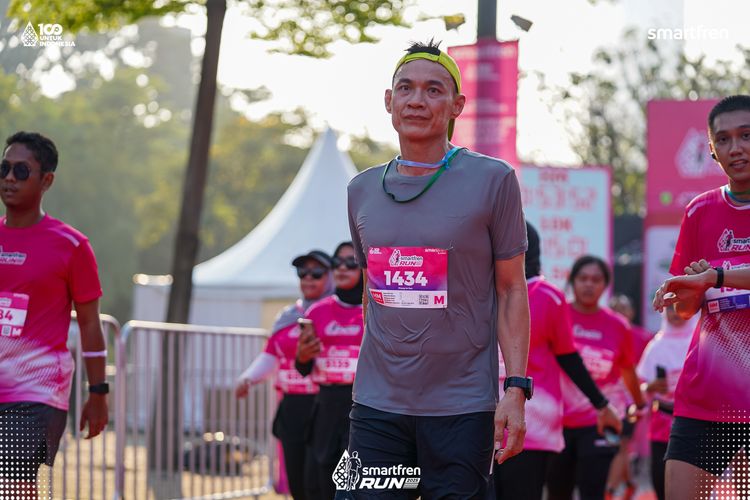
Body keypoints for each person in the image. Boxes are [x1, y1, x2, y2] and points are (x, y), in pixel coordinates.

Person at [345, 39, 530, 499]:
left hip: (461, 407)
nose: (417, 100)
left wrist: (515, 390)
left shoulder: (494, 180)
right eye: (405, 88)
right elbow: (372, 293)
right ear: (388, 100)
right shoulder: (360, 190)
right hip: (377, 408)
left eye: (433, 90)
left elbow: (511, 290)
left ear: (456, 106)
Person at [651, 95, 750, 500]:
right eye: (723, 139)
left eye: (746, 135)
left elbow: (716, 277)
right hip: (705, 401)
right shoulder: (699, 211)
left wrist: (717, 275)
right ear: (711, 150)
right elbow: (688, 308)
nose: (736, 148)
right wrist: (687, 289)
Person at [0, 132, 108, 498]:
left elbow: (90, 323)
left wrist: (98, 392)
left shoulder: (71, 245)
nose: (9, 178)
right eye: (4, 168)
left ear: (46, 180)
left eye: (21, 171)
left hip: (35, 391)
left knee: (12, 490)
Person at [493, 223, 621, 500]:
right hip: (490, 419)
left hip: (524, 423)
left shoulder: (546, 296)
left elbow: (568, 357)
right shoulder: (482, 293)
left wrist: (601, 404)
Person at [235, 249, 333, 499]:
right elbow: (270, 354)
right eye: (302, 272)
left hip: (325, 406)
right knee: (298, 483)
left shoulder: (339, 314)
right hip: (292, 407)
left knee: (321, 482)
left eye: (317, 272)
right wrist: (248, 378)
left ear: (330, 276)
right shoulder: (288, 316)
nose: (308, 278)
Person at [546, 255, 647, 500]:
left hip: (600, 421)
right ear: (572, 281)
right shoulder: (555, 315)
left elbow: (627, 370)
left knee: (593, 492)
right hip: (556, 422)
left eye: (596, 279)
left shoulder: (618, 325)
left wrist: (639, 403)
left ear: (605, 285)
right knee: (558, 493)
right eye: (583, 278)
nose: (589, 284)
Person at [295, 241, 364, 500]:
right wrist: (303, 356)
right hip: (325, 404)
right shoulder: (317, 311)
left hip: (362, 406)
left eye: (351, 262)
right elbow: (303, 366)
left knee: (354, 482)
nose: (342, 268)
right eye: (337, 263)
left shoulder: (375, 309)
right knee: (321, 481)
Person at [636, 308, 699, 500]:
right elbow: (639, 390)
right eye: (670, 308)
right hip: (661, 427)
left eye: (680, 307)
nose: (675, 313)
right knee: (660, 481)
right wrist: (649, 387)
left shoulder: (701, 340)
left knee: (693, 486)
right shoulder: (655, 346)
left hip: (695, 423)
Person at [606, 294, 653, 500]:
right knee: (618, 446)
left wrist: (641, 395)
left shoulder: (644, 337)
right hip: (606, 402)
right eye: (615, 308)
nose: (619, 313)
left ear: (632, 312)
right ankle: (628, 484)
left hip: (631, 401)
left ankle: (608, 491)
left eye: (623, 308)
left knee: (621, 445)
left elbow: (647, 371)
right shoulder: (605, 334)